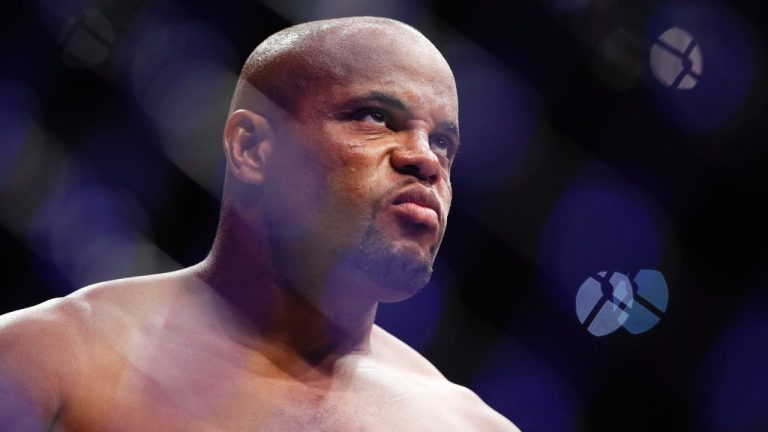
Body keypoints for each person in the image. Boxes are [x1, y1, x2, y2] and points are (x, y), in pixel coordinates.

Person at [0, 16, 519, 431]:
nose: (424, 159)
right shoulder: (50, 359)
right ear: (251, 148)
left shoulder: (463, 424)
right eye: (376, 118)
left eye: (444, 143)